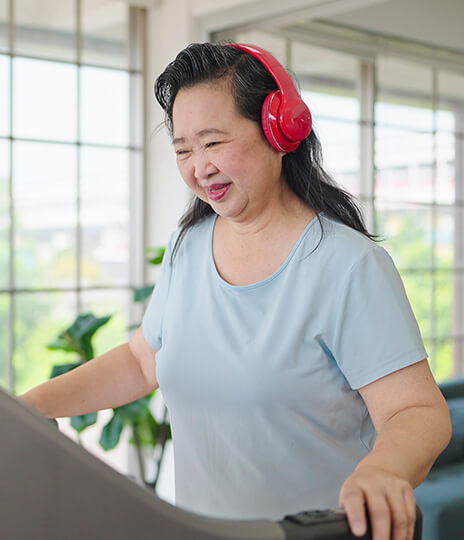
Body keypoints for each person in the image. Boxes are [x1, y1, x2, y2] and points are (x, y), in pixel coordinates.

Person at [19, 42, 451, 540]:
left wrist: (384, 470)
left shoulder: (348, 266)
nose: (199, 167)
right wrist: (28, 412)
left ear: (279, 129)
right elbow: (142, 361)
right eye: (183, 149)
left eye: (213, 142)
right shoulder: (188, 245)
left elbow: (416, 410)